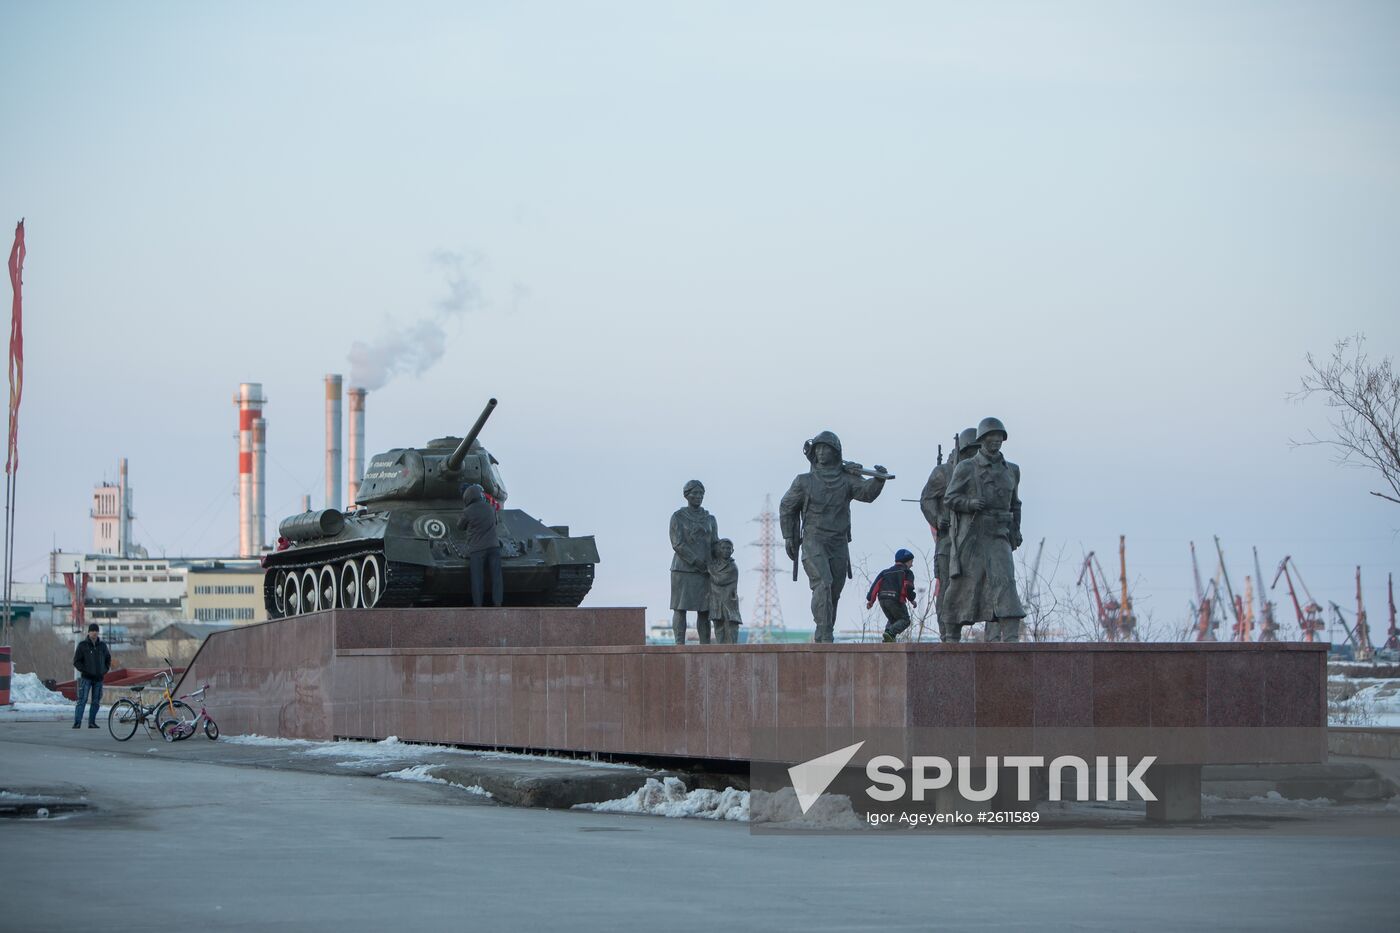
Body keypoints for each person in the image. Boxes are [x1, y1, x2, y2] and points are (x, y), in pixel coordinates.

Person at [779, 431, 887, 643]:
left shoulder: (847, 479)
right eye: (817, 448)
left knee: (834, 591)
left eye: (825, 448)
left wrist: (878, 479)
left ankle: (827, 629)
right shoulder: (804, 481)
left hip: (838, 542)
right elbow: (786, 507)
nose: (820, 452)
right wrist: (789, 537)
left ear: (835, 452)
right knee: (824, 584)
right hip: (813, 540)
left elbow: (866, 493)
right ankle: (824, 631)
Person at [943, 417, 1026, 642]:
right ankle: (951, 632)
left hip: (999, 532)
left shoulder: (1012, 470)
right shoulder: (967, 467)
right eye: (991, 437)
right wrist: (969, 504)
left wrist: (1016, 530)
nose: (996, 441)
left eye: (999, 437)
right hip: (973, 534)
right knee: (965, 582)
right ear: (981, 440)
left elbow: (1015, 503)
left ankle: (1010, 635)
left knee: (1005, 580)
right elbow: (950, 498)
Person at [920, 427, 979, 642]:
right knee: (946, 585)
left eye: (977, 450)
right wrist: (937, 519)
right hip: (947, 541)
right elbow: (926, 499)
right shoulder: (943, 472)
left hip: (975, 541)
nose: (974, 455)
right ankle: (947, 632)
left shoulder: (981, 473)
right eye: (970, 450)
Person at [670, 480, 719, 644]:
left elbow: (715, 543)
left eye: (701, 494)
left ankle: (705, 645)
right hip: (683, 569)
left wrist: (722, 556)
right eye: (695, 493)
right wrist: (695, 561)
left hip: (705, 571)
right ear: (687, 495)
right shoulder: (678, 517)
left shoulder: (710, 518)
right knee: (680, 607)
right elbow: (677, 543)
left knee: (704, 610)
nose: (698, 497)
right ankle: (679, 644)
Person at [458, 484, 503, 607]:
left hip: (477, 549)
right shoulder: (490, 508)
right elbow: (496, 521)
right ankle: (498, 602)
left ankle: (478, 604)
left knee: (477, 579)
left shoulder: (468, 511)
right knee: (496, 577)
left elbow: (460, 526)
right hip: (494, 547)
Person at [867, 549, 918, 643]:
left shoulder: (885, 572)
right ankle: (890, 633)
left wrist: (870, 600)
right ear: (906, 561)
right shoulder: (907, 572)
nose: (912, 565)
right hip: (895, 599)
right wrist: (912, 599)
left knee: (893, 619)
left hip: (882, 600)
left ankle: (887, 636)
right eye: (911, 562)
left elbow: (875, 586)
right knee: (905, 620)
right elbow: (908, 587)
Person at [72, 623, 112, 729]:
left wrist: (104, 670)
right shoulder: (82, 645)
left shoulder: (102, 646)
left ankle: (92, 722)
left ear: (98, 632)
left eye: (96, 631)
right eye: (92, 630)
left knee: (96, 701)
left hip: (98, 678)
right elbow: (76, 661)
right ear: (88, 632)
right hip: (86, 678)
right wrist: (85, 670)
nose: (94, 632)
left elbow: (108, 659)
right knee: (82, 700)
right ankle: (77, 722)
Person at [707, 538, 742, 644]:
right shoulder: (715, 564)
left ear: (732, 551)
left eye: (728, 548)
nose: (726, 550)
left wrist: (709, 569)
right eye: (723, 548)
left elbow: (719, 580)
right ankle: (720, 647)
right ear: (719, 550)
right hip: (716, 600)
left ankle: (731, 648)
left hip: (728, 601)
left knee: (731, 625)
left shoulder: (732, 567)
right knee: (718, 624)